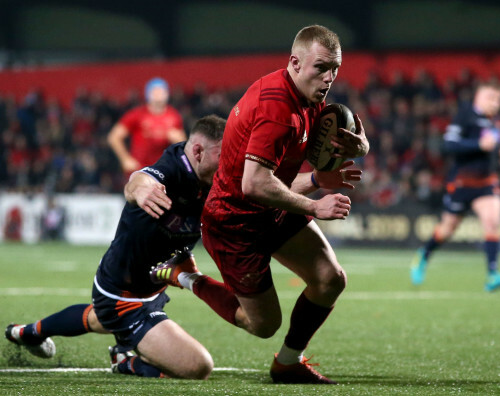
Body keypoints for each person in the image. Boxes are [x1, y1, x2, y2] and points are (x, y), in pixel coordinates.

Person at [152, 25, 369, 384]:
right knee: (263, 324)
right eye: (321, 67)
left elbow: (276, 179)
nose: (329, 77)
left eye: (335, 68)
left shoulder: (311, 101)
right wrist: (315, 206)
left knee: (330, 280)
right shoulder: (276, 109)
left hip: (269, 207)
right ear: (295, 63)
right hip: (233, 223)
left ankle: (287, 364)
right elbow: (253, 185)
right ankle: (186, 275)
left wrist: (353, 153)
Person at [5, 115, 226, 379]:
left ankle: (28, 332)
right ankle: (124, 362)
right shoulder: (172, 170)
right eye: (222, 155)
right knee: (197, 366)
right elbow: (139, 180)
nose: (228, 163)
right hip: (125, 294)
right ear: (199, 152)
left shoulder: (210, 179)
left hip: (146, 286)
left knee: (98, 318)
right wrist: (140, 190)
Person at [410, 82, 500, 292]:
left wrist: (499, 154)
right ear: (478, 98)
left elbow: (490, 147)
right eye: (490, 97)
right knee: (448, 229)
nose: (495, 102)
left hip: (486, 183)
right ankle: (424, 254)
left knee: (492, 222)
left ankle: (492, 274)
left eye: (498, 99)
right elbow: (449, 144)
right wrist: (478, 146)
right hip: (462, 183)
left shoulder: (496, 121)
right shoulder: (465, 116)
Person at [108, 77, 186, 175]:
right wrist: (125, 159)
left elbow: (182, 145)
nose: (159, 95)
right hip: (140, 170)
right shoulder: (137, 114)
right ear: (148, 94)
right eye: (155, 91)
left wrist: (178, 141)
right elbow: (114, 137)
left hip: (164, 171)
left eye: (162, 91)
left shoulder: (174, 116)